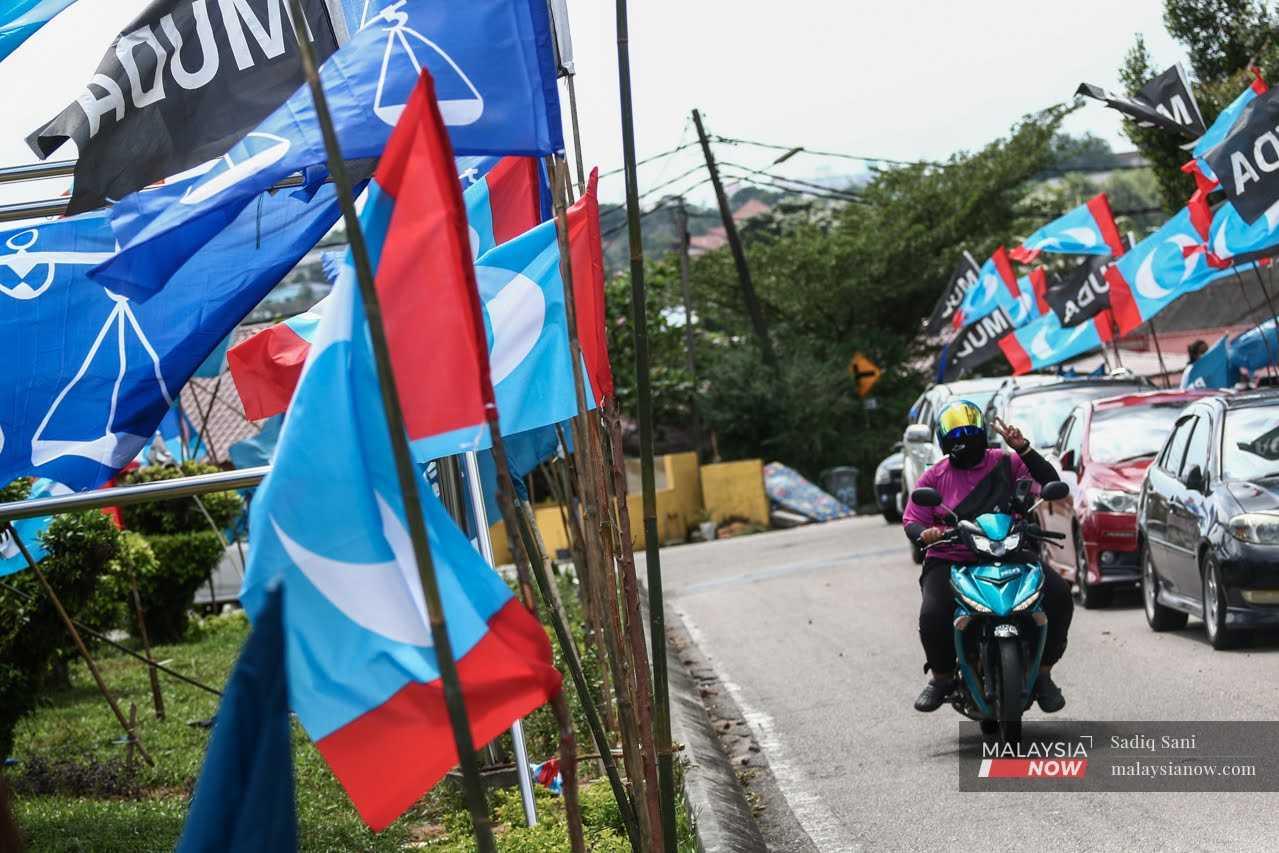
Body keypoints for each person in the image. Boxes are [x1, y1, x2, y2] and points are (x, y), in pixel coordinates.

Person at [902, 399, 1073, 714]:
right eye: (957, 442)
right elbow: (913, 519)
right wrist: (924, 535)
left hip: (1010, 550)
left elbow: (1049, 482)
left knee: (1060, 597)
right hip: (953, 557)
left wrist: (1024, 448)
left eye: (970, 439)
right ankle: (941, 678)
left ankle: (1044, 674)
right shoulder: (934, 477)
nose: (965, 448)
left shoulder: (1008, 462)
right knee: (933, 614)